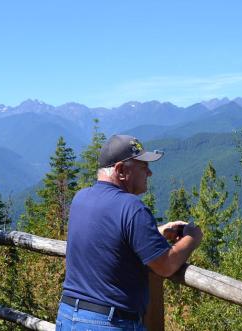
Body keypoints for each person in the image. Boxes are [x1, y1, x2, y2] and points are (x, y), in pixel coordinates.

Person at [56, 134, 203, 330]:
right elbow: (165, 266)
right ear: (121, 170)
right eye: (143, 166)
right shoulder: (132, 207)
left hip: (68, 316)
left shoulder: (81, 199)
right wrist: (192, 237)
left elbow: (107, 236)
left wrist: (155, 233)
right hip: (109, 322)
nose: (149, 173)